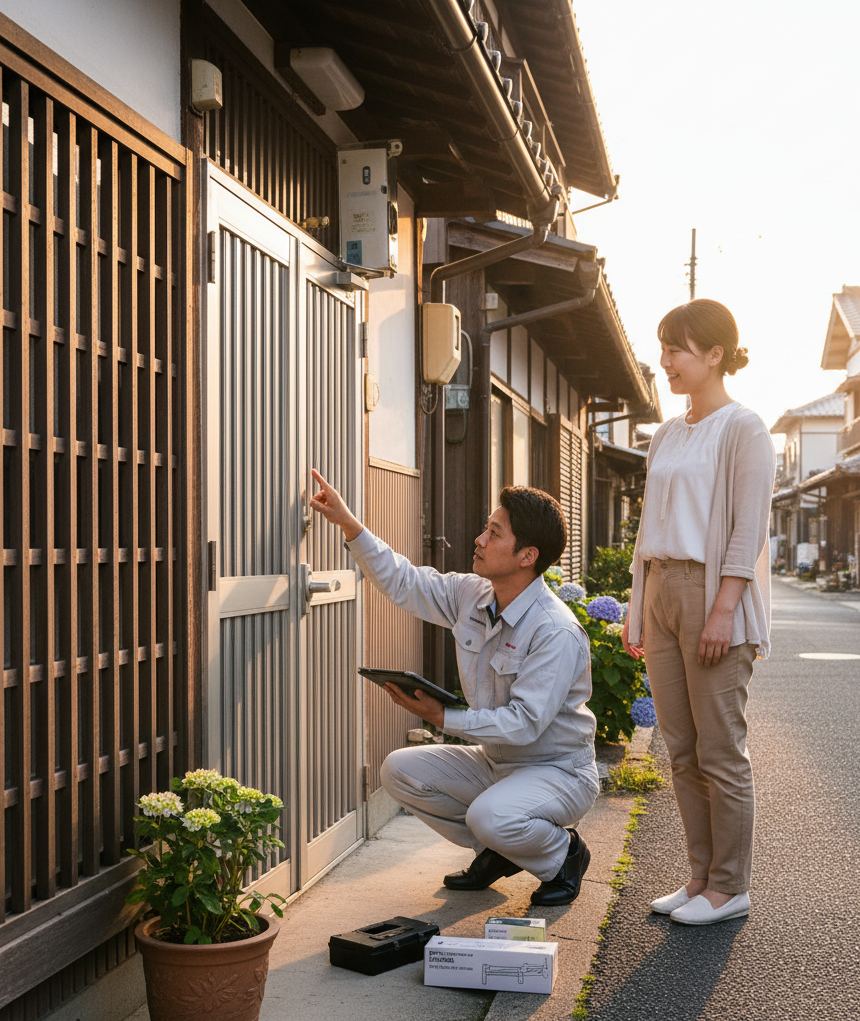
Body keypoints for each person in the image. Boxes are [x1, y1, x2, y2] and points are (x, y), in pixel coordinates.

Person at [309, 474, 600, 906]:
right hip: (497, 763)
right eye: (486, 528)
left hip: (559, 771)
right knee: (398, 770)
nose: (479, 540)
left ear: (527, 556)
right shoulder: (472, 594)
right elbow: (405, 582)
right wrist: (348, 522)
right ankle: (498, 851)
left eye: (494, 533)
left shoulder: (555, 630)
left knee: (490, 816)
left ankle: (563, 854)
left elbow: (524, 724)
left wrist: (443, 717)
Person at [623, 298, 775, 926]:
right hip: (660, 590)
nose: (665, 362)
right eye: (662, 348)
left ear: (715, 355)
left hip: (712, 595)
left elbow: (748, 530)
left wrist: (723, 611)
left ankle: (730, 886)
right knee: (680, 750)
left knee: (720, 752)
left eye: (677, 348)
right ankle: (698, 877)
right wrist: (637, 607)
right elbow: (647, 527)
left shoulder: (744, 429)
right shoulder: (665, 433)